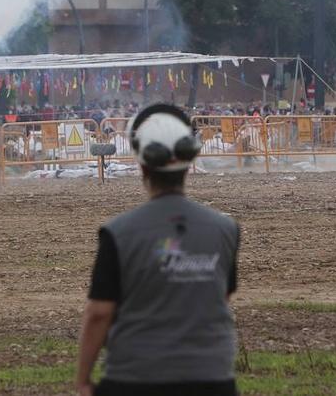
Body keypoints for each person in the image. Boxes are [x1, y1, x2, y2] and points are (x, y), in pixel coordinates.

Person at [75, 104, 240, 396]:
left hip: (135, 379)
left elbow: (100, 312)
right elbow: (220, 296)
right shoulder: (225, 229)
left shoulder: (118, 233)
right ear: (190, 162)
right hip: (212, 379)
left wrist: (84, 379)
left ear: (142, 165)